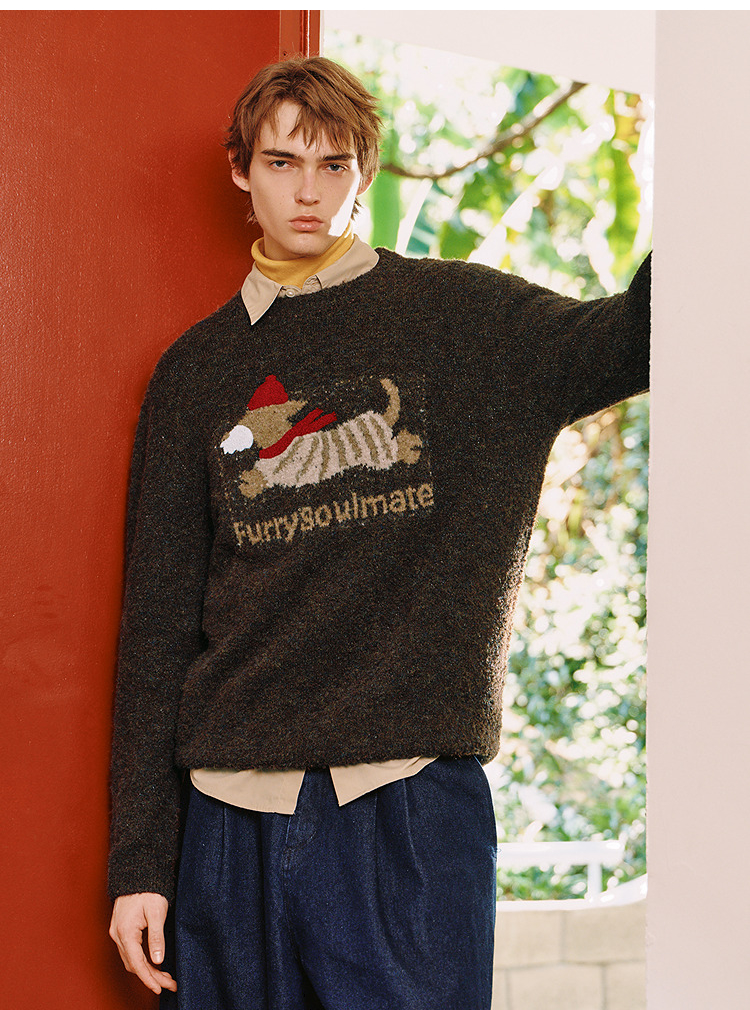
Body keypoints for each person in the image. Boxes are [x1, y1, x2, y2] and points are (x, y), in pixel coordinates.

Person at [108, 56, 650, 1009]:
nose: (307, 193)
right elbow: (156, 630)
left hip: (405, 810)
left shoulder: (466, 322)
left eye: (333, 165)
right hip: (228, 824)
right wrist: (140, 863)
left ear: (364, 171)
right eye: (282, 163)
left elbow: (634, 337)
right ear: (241, 170)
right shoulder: (196, 373)